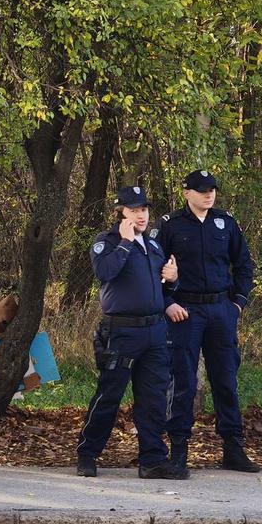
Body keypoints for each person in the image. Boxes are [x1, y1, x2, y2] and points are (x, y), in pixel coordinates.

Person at [154, 169, 260, 474]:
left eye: (212, 189)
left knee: (226, 380)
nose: (208, 195)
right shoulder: (170, 225)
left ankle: (233, 448)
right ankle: (179, 450)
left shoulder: (225, 223)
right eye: (202, 190)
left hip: (220, 310)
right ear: (186, 193)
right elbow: (154, 267)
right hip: (185, 311)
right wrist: (167, 302)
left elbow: (243, 264)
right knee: (183, 381)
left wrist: (238, 303)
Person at [76, 186, 184, 479]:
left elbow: (160, 290)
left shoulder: (154, 245)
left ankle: (152, 460)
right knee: (109, 395)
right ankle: (87, 454)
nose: (141, 215)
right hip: (122, 332)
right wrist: (124, 243)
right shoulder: (106, 242)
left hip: (154, 331)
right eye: (134, 210)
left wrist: (173, 281)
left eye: (144, 209)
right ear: (120, 212)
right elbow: (104, 273)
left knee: (153, 399)